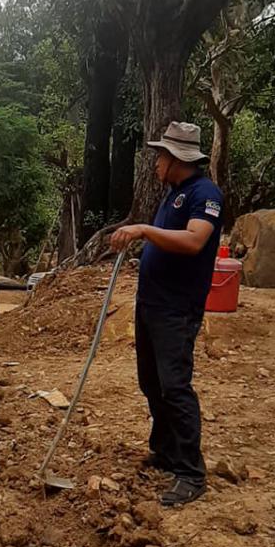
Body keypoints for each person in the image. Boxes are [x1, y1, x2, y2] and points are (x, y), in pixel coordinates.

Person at [111, 121, 223, 509]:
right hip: (151, 303)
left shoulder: (204, 193)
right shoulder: (173, 193)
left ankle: (191, 472)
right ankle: (166, 450)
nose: (156, 163)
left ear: (177, 159)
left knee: (175, 386)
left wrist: (142, 229)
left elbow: (194, 241)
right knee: (151, 381)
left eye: (160, 156)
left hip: (177, 307)